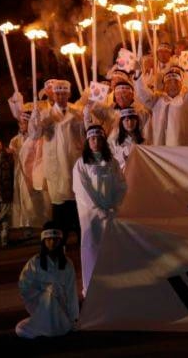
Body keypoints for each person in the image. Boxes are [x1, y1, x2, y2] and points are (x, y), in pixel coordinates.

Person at [73, 125, 127, 297]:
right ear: (87, 141)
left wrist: (114, 206)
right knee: (92, 249)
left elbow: (121, 185)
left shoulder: (112, 163)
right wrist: (97, 211)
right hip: (91, 217)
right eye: (92, 139)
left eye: (98, 138)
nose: (95, 142)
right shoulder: (81, 164)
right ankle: (92, 289)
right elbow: (81, 191)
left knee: (112, 250)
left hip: (111, 214)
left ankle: (114, 286)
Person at [28, 80, 84, 240]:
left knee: (77, 205)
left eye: (63, 93)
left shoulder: (78, 112)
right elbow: (34, 135)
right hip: (56, 168)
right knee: (59, 207)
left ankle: (82, 242)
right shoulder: (45, 114)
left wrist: (85, 120)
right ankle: (61, 243)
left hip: (73, 164)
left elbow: (85, 135)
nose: (60, 96)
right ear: (52, 94)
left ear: (69, 94)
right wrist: (34, 120)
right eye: (57, 93)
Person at [15, 224, 79, 338]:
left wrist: (73, 316)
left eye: (55, 239)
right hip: (42, 304)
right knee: (21, 329)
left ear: (60, 241)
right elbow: (24, 286)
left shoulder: (67, 264)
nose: (52, 243)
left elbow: (71, 291)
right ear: (43, 241)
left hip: (61, 305)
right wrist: (46, 292)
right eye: (48, 239)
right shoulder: (35, 262)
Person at [135, 65, 188, 146]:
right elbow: (143, 95)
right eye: (169, 82)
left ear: (181, 84)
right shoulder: (157, 99)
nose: (172, 86)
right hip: (161, 147)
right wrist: (138, 76)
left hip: (183, 148)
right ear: (164, 85)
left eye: (176, 82)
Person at [9, 107, 50, 236]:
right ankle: (27, 223)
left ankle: (44, 222)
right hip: (22, 174)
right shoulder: (16, 140)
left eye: (24, 122)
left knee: (40, 199)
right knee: (25, 199)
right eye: (20, 123)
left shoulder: (38, 139)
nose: (21, 125)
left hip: (35, 173)